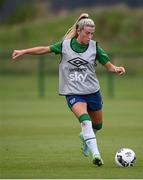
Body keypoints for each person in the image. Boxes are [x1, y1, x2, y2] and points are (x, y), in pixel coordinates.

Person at [12, 13, 125, 167]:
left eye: (92, 33)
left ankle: (86, 138)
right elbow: (44, 49)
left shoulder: (95, 47)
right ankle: (96, 155)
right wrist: (24, 51)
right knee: (85, 120)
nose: (90, 36)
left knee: (97, 125)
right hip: (73, 92)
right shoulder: (64, 46)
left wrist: (116, 68)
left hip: (92, 92)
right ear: (79, 31)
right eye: (87, 33)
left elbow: (109, 66)